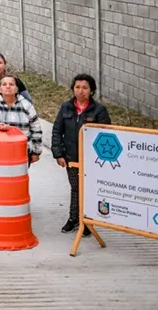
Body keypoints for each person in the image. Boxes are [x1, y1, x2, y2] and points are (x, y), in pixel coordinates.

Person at [52, 73, 111, 236]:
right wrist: (58, 154)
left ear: (91, 90)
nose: (81, 91)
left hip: (92, 160)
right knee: (76, 187)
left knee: (88, 189)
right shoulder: (66, 107)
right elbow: (57, 130)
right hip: (71, 158)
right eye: (77, 87)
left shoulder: (99, 110)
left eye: (85, 88)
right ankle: (74, 219)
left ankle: (87, 220)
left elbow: (106, 134)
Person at [0, 74, 43, 164]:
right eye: (4, 84)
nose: (8, 86)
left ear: (17, 89)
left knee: (19, 177)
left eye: (11, 84)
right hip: (1, 151)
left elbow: (36, 128)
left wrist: (36, 151)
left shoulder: (26, 105)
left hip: (23, 150)